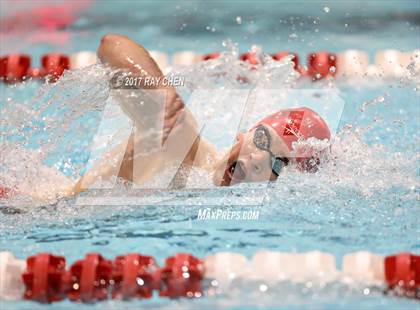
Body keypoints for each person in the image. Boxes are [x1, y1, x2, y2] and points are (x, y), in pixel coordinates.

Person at [1, 34, 331, 202]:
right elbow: (112, 45)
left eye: (278, 164)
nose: (258, 158)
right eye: (260, 140)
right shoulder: (184, 147)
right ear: (241, 135)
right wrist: (165, 99)